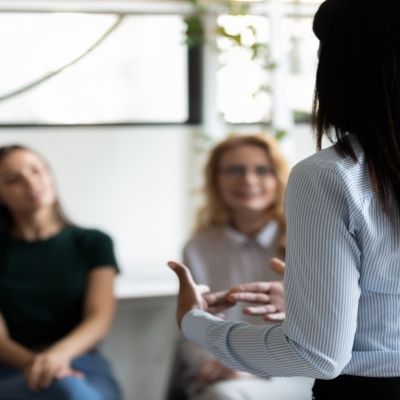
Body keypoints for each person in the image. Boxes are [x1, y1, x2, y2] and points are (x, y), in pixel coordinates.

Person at [168, 0, 400, 399]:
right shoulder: (202, 242)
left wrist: (194, 321)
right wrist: (313, 307)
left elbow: (317, 356)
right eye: (234, 170)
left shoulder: (330, 176)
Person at [166, 134, 313, 400]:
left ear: (278, 179)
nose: (248, 180)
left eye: (262, 170)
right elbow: (190, 326)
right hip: (223, 372)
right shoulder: (198, 247)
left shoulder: (307, 238)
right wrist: (217, 364)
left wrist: (251, 369)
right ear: (215, 180)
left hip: (295, 373)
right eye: (234, 170)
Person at [0, 144, 122, 400]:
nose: (30, 181)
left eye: (36, 170)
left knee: (75, 392)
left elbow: (99, 319)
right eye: (14, 179)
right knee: (67, 391)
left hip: (82, 361)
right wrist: (39, 364)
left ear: (49, 174)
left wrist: (57, 357)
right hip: (12, 368)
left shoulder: (93, 242)